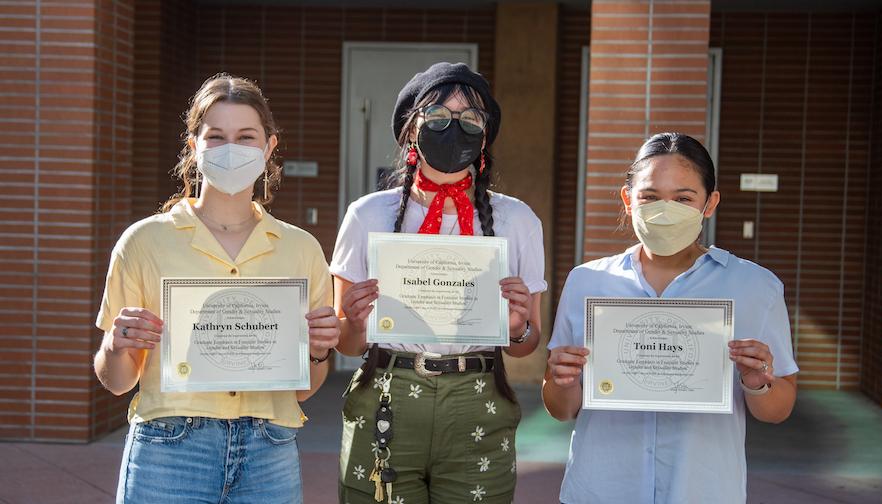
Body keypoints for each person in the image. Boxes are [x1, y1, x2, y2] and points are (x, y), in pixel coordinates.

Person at [93, 74, 338, 504]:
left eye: (246, 136)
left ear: (269, 147)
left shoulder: (302, 249)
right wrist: (116, 346)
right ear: (194, 147)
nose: (231, 148)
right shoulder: (143, 242)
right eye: (216, 136)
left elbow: (302, 388)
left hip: (269, 449)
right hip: (170, 447)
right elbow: (116, 381)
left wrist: (318, 350)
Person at [542, 132, 798, 504]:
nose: (664, 210)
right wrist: (562, 380)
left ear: (710, 203)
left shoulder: (755, 286)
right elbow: (561, 408)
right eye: (649, 197)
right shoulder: (588, 282)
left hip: (703, 490)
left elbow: (779, 409)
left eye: (683, 198)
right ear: (628, 200)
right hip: (600, 487)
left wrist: (758, 383)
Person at [331, 62, 546, 504]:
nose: (454, 129)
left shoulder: (517, 220)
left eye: (470, 120)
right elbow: (348, 345)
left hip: (478, 401)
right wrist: (352, 320)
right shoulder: (367, 214)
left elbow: (526, 345)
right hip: (388, 397)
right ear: (412, 129)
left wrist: (519, 325)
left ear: (485, 137)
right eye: (437, 117)